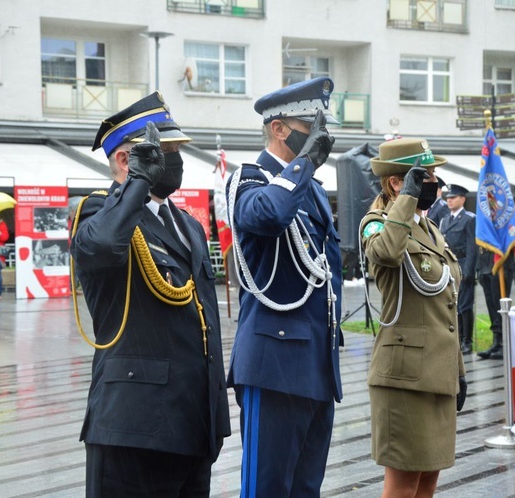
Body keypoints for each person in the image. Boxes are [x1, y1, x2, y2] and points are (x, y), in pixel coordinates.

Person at [70, 92, 231, 496]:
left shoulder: (187, 225)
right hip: (135, 426)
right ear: (127, 160)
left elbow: (204, 317)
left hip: (194, 422)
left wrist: (216, 412)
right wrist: (138, 183)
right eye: (166, 151)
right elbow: (104, 247)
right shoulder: (96, 212)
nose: (175, 162)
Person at [226, 76, 342, 497]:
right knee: (267, 489)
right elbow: (267, 217)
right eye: (310, 125)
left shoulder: (307, 188)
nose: (318, 135)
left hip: (314, 364)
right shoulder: (251, 179)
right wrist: (303, 164)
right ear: (279, 128)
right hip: (273, 364)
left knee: (305, 488)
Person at [360, 138, 466, 498]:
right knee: (403, 486)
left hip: (437, 373)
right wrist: (406, 198)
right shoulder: (376, 224)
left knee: (428, 481)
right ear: (397, 183)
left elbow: (447, 306)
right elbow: (388, 253)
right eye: (426, 176)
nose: (434, 183)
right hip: (405, 379)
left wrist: (459, 371)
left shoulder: (429, 227)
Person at [439, 184, 476, 354]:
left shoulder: (469, 219)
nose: (449, 201)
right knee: (451, 304)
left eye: (453, 198)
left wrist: (468, 270)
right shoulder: (445, 220)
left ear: (462, 199)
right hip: (448, 265)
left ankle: (467, 340)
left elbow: (471, 247)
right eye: (448, 198)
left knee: (465, 305)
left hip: (462, 264)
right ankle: (456, 338)